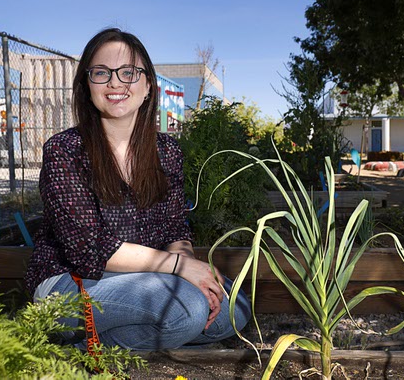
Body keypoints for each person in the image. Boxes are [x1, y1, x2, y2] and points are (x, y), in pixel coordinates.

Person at [24, 28, 251, 351]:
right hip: (67, 282)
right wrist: (181, 268)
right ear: (87, 86)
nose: (115, 83)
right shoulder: (65, 150)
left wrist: (189, 270)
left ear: (147, 86)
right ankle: (70, 356)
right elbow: (89, 250)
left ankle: (103, 344)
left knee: (234, 309)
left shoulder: (167, 151)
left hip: (147, 280)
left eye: (128, 72)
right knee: (187, 309)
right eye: (102, 73)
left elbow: (175, 227)